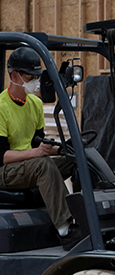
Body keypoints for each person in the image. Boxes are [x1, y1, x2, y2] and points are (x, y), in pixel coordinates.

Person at [0, 47, 78, 242]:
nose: (36, 82)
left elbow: (39, 142)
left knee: (78, 159)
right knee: (44, 164)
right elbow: (2, 156)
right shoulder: (1, 107)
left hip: (28, 165)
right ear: (15, 76)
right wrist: (36, 153)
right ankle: (65, 229)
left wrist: (64, 148)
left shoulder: (34, 103)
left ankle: (93, 214)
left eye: (37, 77)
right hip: (6, 170)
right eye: (31, 77)